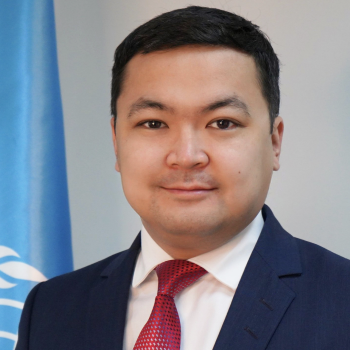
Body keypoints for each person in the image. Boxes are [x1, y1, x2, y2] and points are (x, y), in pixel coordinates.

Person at [16, 6, 350, 350]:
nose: (186, 157)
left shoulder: (342, 303)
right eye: (154, 124)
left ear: (274, 141)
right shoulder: (51, 307)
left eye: (222, 123)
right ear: (116, 142)